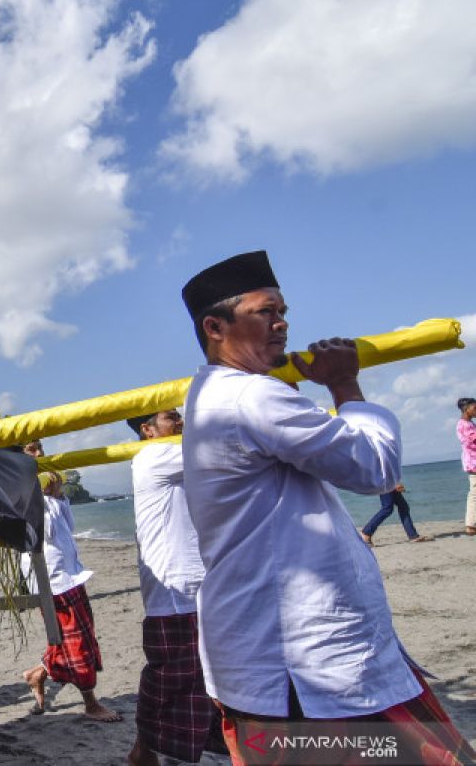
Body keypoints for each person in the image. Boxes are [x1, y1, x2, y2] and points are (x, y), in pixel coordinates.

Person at [180, 251, 474, 764]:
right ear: (215, 326)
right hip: (304, 662)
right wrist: (345, 385)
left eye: (283, 310)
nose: (283, 322)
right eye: (266, 311)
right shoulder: (253, 398)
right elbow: (374, 470)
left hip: (268, 653)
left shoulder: (211, 396)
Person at [125, 411, 224, 766]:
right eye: (172, 417)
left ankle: (144, 755)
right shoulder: (156, 455)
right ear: (147, 430)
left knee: (200, 683)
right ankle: (143, 756)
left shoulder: (172, 454)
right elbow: (225, 447)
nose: (182, 421)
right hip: (177, 593)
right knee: (172, 683)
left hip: (195, 589)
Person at [21, 471, 121, 722]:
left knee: (71, 639)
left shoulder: (48, 497)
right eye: (31, 449)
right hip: (51, 580)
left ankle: (38, 674)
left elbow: (68, 525)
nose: (38, 454)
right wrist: (45, 495)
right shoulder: (20, 492)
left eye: (40, 448)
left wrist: (57, 495)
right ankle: (91, 704)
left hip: (71, 574)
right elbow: (46, 531)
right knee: (76, 643)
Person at [360, 483, 432, 545]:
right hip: (386, 482)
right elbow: (385, 468)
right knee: (387, 508)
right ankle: (366, 533)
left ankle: (413, 536)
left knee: (403, 507)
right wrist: (395, 483)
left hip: (388, 482)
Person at [457, 397, 476, 535]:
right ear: (466, 409)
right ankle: (470, 524)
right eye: (474, 408)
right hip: (473, 462)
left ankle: (471, 524)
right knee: (474, 493)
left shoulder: (470, 423)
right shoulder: (464, 424)